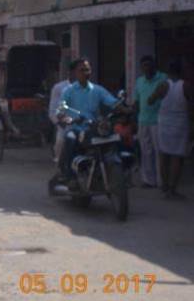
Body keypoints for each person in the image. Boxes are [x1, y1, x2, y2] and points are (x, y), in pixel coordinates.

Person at [57, 57, 125, 185]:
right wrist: (70, 119)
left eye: (87, 70)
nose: (85, 73)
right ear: (75, 73)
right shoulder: (68, 91)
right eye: (81, 70)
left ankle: (122, 170)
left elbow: (113, 103)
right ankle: (69, 175)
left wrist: (126, 110)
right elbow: (60, 112)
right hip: (76, 129)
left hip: (94, 129)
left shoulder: (98, 90)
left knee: (117, 138)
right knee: (70, 139)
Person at [148, 59, 192, 200]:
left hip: (164, 123)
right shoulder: (186, 86)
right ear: (181, 71)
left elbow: (150, 100)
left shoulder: (162, 85)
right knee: (177, 157)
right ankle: (172, 189)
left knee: (163, 155)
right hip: (181, 124)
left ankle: (165, 186)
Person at [133, 56, 167, 188]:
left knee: (159, 151)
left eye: (148, 65)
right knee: (146, 151)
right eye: (144, 66)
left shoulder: (163, 78)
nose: (146, 68)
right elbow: (137, 100)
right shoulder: (140, 81)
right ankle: (148, 180)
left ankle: (161, 181)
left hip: (158, 121)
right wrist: (133, 118)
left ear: (154, 66)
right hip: (143, 120)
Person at [48, 65, 73, 163]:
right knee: (60, 141)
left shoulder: (91, 88)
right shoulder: (59, 88)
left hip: (83, 123)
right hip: (65, 124)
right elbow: (53, 110)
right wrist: (60, 123)